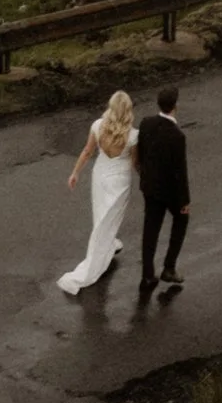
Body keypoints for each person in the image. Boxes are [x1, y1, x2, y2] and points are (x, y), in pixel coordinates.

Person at [57, 87, 137, 293]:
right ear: (128, 110)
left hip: (100, 175)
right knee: (112, 216)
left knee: (101, 214)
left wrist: (75, 173)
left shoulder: (97, 126)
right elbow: (135, 164)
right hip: (120, 180)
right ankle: (100, 252)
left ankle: (107, 241)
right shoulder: (133, 136)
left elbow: (87, 151)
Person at [136, 84, 190, 294]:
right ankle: (169, 267)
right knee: (181, 220)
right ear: (175, 106)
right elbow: (180, 171)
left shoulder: (146, 123)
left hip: (150, 187)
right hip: (169, 191)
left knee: (150, 230)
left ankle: (148, 275)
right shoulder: (177, 136)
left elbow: (141, 152)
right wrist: (184, 200)